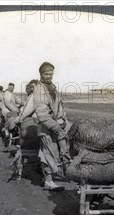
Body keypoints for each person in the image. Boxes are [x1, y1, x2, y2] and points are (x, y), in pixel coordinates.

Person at [33, 62, 69, 190]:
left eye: (51, 74)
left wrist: (63, 119)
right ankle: (48, 181)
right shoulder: (39, 89)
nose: (49, 76)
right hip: (47, 127)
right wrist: (57, 128)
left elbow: (57, 105)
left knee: (62, 150)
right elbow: (42, 114)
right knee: (49, 152)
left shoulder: (51, 86)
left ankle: (63, 173)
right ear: (41, 74)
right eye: (46, 74)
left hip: (56, 124)